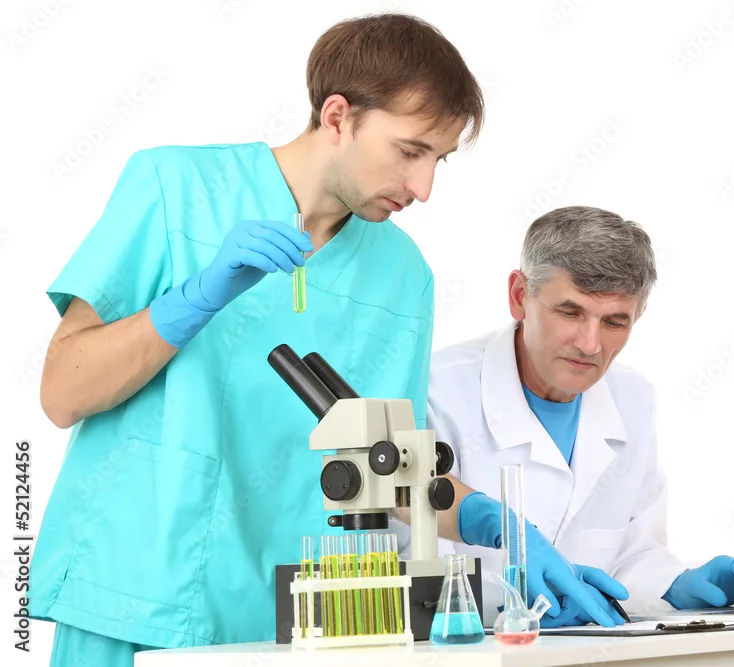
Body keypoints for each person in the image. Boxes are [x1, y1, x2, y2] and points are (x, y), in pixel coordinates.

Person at [30, 13, 485, 666]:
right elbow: (61, 393)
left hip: (302, 622)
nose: (424, 188)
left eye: (438, 160)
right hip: (140, 594)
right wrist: (191, 300)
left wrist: (493, 523)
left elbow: (393, 472)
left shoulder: (403, 275)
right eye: (410, 151)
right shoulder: (175, 188)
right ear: (337, 116)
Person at [423, 206, 734, 627]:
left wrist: (676, 586)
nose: (590, 344)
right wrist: (518, 605)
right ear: (520, 295)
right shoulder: (437, 392)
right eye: (570, 313)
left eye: (615, 322)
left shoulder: (633, 398)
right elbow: (419, 571)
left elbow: (632, 554)